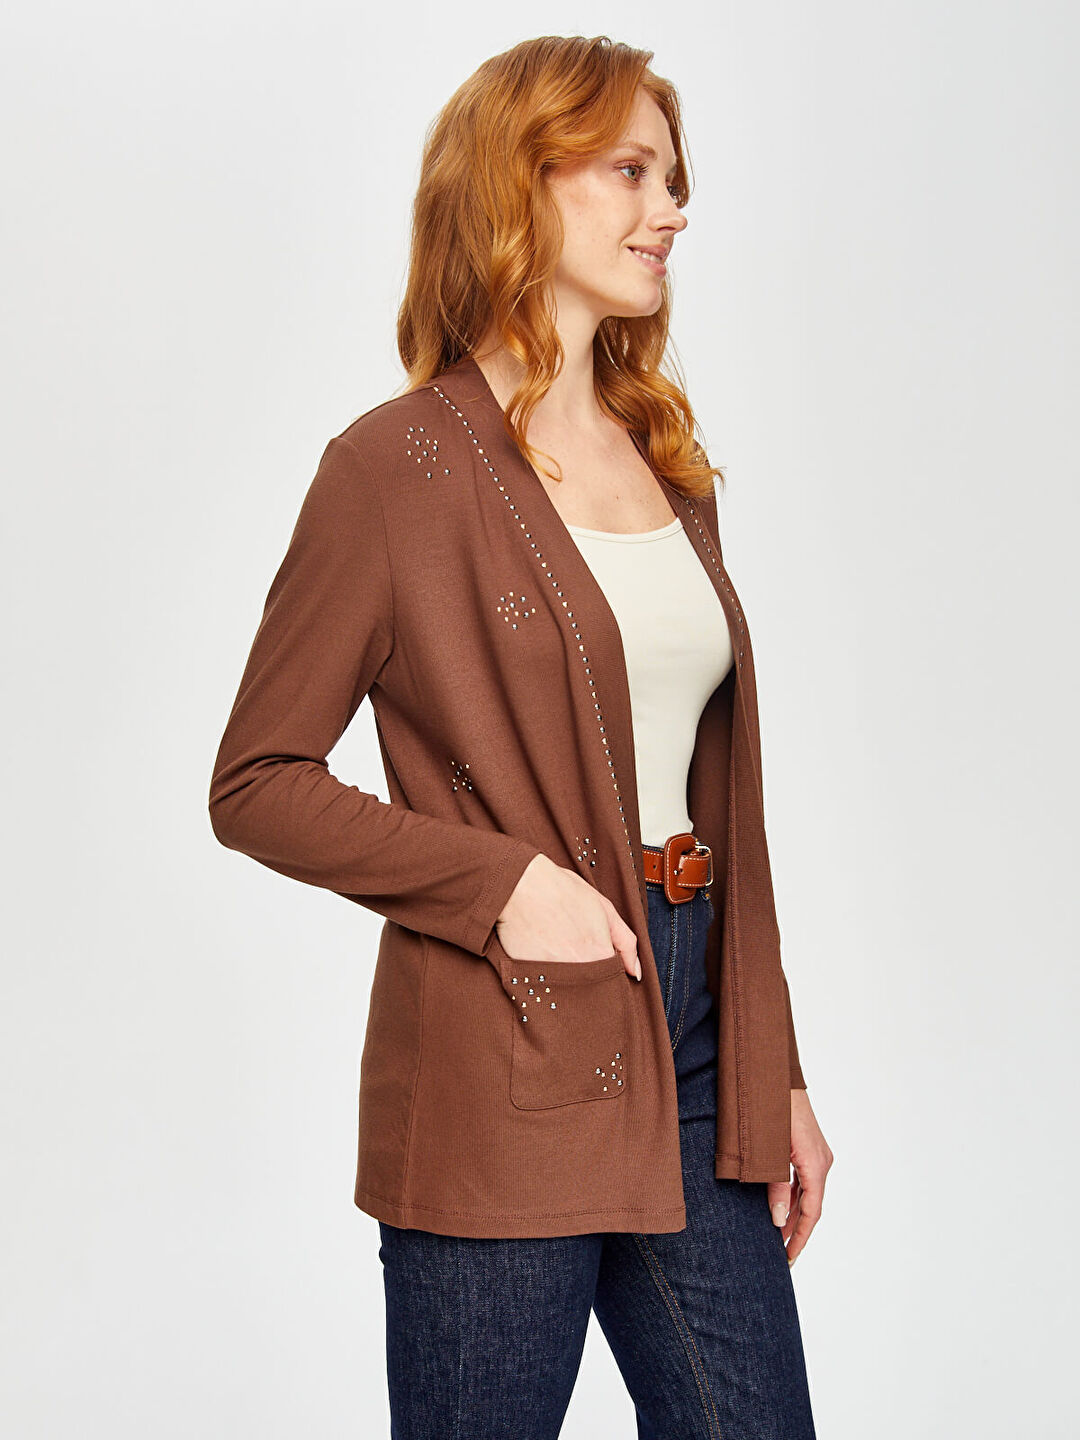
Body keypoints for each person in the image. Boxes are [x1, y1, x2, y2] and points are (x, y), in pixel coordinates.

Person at [209, 33, 832, 1439]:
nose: (671, 209)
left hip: (693, 1042)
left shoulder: (667, 462)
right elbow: (255, 782)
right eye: (630, 172)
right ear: (518, 185)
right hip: (500, 1051)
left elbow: (717, 805)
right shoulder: (393, 469)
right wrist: (504, 886)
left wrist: (775, 1067)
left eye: (674, 178)